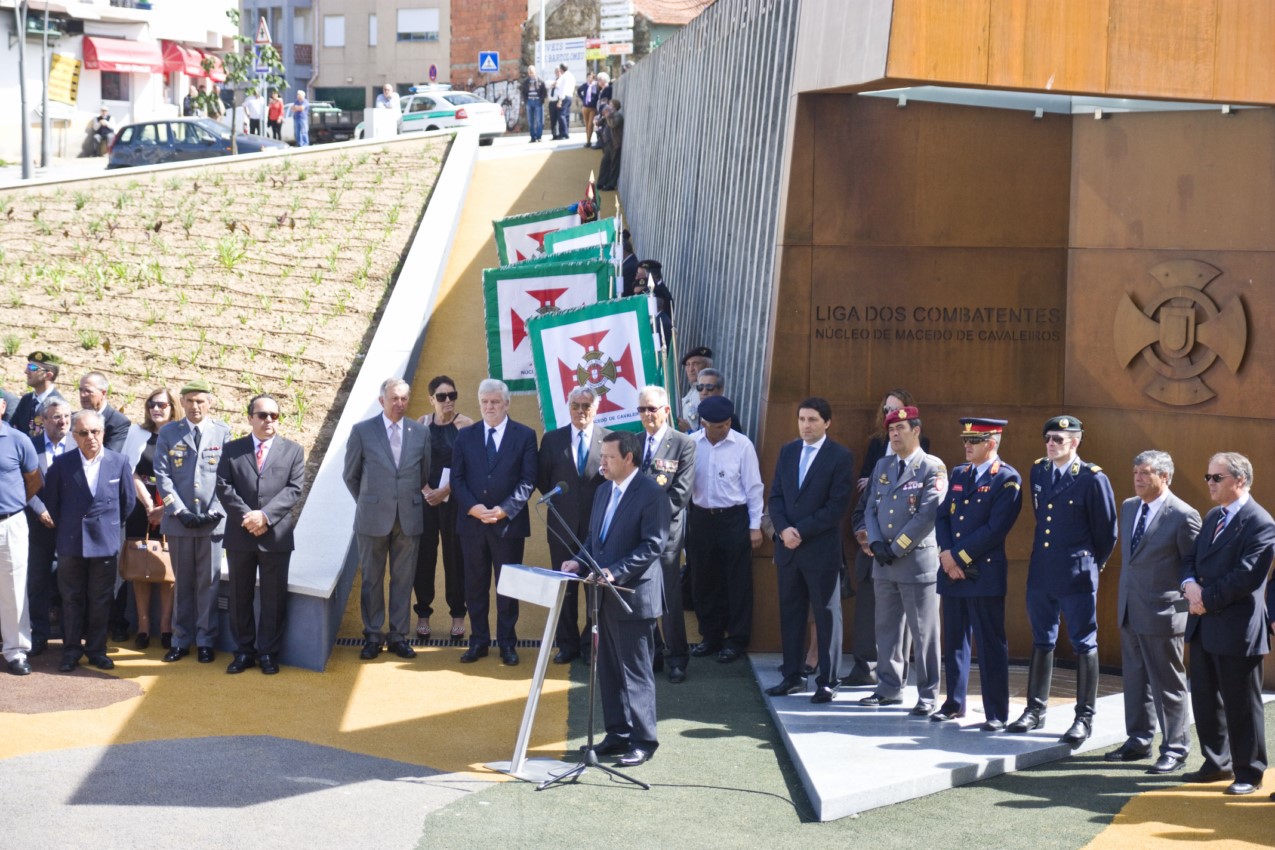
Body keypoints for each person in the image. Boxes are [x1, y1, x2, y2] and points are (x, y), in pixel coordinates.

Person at [561, 431, 671, 767]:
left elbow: (653, 545)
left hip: (632, 597)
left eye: (608, 457)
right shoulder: (603, 490)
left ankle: (643, 741)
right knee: (608, 668)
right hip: (603, 599)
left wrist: (614, 572)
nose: (602, 462)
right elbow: (595, 537)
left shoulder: (652, 493)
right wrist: (579, 560)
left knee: (635, 672)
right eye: (602, 455)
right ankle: (618, 733)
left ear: (629, 458)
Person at [1007, 415, 1118, 745]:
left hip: (1077, 572)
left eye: (1058, 438)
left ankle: (1084, 717)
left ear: (1076, 441)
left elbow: (1107, 532)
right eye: (1048, 438)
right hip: (1043, 571)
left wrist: (1089, 563)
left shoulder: (1092, 478)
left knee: (1084, 642)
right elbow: (1043, 517)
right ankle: (1035, 710)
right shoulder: (1039, 470)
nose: (1051, 444)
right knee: (1042, 639)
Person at [1180, 452, 1274, 796]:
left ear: (1240, 480)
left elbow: (1247, 575)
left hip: (1236, 626)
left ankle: (1249, 771)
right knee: (1205, 698)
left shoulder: (1259, 521)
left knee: (1241, 702)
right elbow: (1190, 557)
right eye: (1208, 477)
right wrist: (1189, 586)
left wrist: (1205, 599)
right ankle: (1216, 762)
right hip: (1204, 623)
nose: (1209, 483)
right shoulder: (1212, 516)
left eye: (1216, 477)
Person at [1105, 450, 1199, 772]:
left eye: (1145, 473)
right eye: (1135, 473)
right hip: (1130, 611)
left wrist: (1179, 615)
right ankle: (1138, 740)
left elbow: (1193, 571)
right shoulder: (1130, 507)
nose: (1138, 478)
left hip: (1163, 617)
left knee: (1167, 685)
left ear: (1165, 477)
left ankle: (1175, 748)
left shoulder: (1184, 515)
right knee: (1134, 680)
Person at [934, 418, 1023, 729]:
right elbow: (942, 516)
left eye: (974, 441)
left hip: (982, 574)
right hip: (951, 571)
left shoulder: (1007, 479)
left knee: (989, 643)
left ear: (992, 443)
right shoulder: (959, 474)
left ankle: (996, 713)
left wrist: (958, 557)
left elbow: (995, 529)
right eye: (965, 440)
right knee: (954, 641)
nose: (967, 446)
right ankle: (953, 703)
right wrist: (945, 555)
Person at [766, 397, 854, 703]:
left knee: (827, 613)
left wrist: (800, 531)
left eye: (813, 420)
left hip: (820, 549)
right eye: (802, 419)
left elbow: (836, 507)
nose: (806, 425)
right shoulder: (788, 451)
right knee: (791, 613)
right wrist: (782, 529)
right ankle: (792, 675)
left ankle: (827, 680)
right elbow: (775, 496)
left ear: (827, 422)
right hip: (788, 548)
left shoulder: (839, 456)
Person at [860, 406, 946, 715]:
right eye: (891, 430)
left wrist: (895, 547)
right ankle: (888, 687)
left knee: (923, 634)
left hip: (915, 563)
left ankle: (927, 694)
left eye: (900, 429)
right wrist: (876, 541)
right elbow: (870, 506)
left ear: (916, 431)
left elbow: (927, 514)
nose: (894, 435)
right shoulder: (883, 465)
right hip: (883, 562)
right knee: (887, 630)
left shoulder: (932, 467)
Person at [216, 394, 305, 676]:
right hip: (241, 535)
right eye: (263, 415)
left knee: (273, 598)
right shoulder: (232, 450)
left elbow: (294, 489)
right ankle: (243, 652)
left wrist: (264, 516)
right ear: (250, 418)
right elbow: (223, 486)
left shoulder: (293, 450)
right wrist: (249, 517)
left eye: (275, 416)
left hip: (275, 536)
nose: (269, 421)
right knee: (239, 595)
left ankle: (268, 653)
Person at [451, 379, 538, 666]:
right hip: (472, 525)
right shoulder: (465, 436)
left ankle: (507, 643)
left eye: (495, 402)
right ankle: (478, 641)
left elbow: (528, 481)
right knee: (475, 585)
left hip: (507, 526)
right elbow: (457, 479)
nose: (489, 407)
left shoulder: (524, 435)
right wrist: (473, 508)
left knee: (508, 587)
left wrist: (504, 510)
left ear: (507, 404)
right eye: (485, 402)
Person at [344, 378, 431, 662]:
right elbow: (350, 475)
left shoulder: (420, 432)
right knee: (371, 579)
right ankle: (372, 635)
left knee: (403, 579)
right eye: (394, 398)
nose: (400, 404)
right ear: (382, 400)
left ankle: (398, 636)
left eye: (404, 399)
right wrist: (370, 500)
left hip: (408, 517)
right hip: (372, 517)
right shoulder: (362, 431)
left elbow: (424, 474)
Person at [44, 409, 135, 673]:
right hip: (71, 543)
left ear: (103, 433)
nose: (90, 437)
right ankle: (71, 650)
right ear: (74, 436)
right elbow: (53, 502)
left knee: (101, 599)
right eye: (83, 433)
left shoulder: (119, 462)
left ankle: (97, 650)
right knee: (71, 599)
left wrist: (107, 527)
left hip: (105, 543)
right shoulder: (62, 464)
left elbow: (126, 503)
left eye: (95, 432)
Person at [155, 379, 231, 665]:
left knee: (208, 584)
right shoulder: (169, 432)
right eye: (190, 401)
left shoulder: (222, 432)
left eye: (201, 401)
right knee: (183, 582)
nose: (195, 406)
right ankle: (180, 640)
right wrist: (179, 510)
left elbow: (226, 475)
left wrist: (215, 510)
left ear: (210, 403)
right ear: (182, 403)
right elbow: (162, 475)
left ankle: (206, 641)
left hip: (211, 523)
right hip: (179, 522)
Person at [687, 396, 763, 663]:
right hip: (701, 518)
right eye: (716, 425)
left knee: (737, 581)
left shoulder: (742, 445)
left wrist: (755, 525)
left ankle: (736, 639)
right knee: (704, 579)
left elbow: (754, 487)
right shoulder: (692, 444)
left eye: (726, 424)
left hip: (733, 517)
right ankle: (710, 636)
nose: (723, 428)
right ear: (704, 423)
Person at [537, 386, 610, 664]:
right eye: (576, 405)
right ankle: (566, 644)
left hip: (597, 529)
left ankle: (590, 645)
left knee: (595, 590)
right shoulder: (553, 439)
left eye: (587, 406)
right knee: (565, 590)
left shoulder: (608, 439)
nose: (581, 411)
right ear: (568, 407)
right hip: (562, 527)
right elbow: (543, 480)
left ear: (596, 408)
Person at [636, 385, 695, 683]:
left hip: (666, 533)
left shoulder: (683, 443)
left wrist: (646, 520)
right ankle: (654, 652)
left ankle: (677, 657)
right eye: (642, 409)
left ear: (666, 410)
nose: (647, 415)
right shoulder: (633, 443)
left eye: (652, 409)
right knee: (641, 596)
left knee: (668, 596)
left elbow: (680, 494)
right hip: (636, 535)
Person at [414, 375, 474, 641]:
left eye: (452, 395)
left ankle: (458, 616)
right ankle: (423, 614)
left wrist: (445, 491)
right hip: (426, 501)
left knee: (455, 559)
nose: (448, 401)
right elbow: (413, 463)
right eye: (441, 396)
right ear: (431, 400)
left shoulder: (466, 425)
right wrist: (427, 491)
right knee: (424, 559)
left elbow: (469, 467)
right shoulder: (422, 425)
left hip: (454, 503)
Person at [122, 389, 178, 651]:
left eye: (162, 404)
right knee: (140, 567)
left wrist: (163, 509)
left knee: (167, 569)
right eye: (151, 404)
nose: (156, 409)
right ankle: (144, 628)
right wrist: (148, 505)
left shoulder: (181, 436)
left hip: (170, 508)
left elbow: (184, 479)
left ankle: (165, 627)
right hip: (140, 508)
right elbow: (130, 471)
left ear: (172, 407)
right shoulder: (137, 433)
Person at [24, 398, 73, 658]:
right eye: (56, 417)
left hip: (70, 526)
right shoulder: (29, 446)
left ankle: (72, 638)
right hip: (37, 525)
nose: (63, 421)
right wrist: (39, 508)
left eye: (67, 416)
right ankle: (39, 635)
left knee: (70, 582)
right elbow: (20, 484)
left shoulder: (80, 444)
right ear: (43, 420)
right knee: (37, 582)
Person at [0, 394, 40, 675]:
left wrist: (11, 506)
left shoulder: (18, 439)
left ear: (2, 407)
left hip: (9, 521)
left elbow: (33, 480)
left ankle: (16, 651)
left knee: (13, 588)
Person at [11, 350, 64, 441]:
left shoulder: (58, 405)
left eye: (32, 368)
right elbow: (13, 428)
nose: (26, 371)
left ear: (48, 375)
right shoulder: (26, 400)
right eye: (28, 366)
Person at [77, 371, 131, 452]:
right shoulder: (75, 418)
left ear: (103, 393)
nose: (82, 395)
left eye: (88, 391)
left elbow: (110, 456)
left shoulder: (118, 422)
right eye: (81, 390)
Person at [676, 347, 712, 432]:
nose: (690, 369)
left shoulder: (710, 392)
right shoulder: (691, 392)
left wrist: (688, 430)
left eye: (695, 364)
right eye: (688, 365)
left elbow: (711, 436)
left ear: (707, 366)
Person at [597, 99, 623, 190]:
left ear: (615, 107)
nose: (609, 107)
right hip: (608, 143)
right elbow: (599, 123)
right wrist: (600, 119)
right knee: (605, 163)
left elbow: (613, 125)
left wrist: (608, 116)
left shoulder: (618, 116)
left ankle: (611, 184)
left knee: (614, 165)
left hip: (615, 143)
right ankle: (601, 182)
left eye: (611, 105)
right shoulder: (609, 115)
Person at [522, 66, 547, 143]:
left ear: (535, 72)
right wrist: (526, 100)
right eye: (529, 72)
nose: (531, 74)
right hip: (529, 102)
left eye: (532, 72)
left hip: (537, 102)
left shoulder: (540, 81)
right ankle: (533, 137)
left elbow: (544, 92)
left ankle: (539, 137)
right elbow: (523, 92)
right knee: (530, 121)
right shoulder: (526, 82)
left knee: (539, 120)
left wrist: (541, 100)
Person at [555, 63, 576, 140]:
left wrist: (560, 100)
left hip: (564, 96)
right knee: (566, 115)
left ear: (561, 69)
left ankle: (563, 133)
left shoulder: (564, 76)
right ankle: (566, 132)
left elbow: (562, 89)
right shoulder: (571, 76)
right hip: (569, 96)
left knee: (561, 115)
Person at [579, 72, 598, 148]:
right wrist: (583, 98)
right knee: (586, 125)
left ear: (593, 77)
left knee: (590, 124)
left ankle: (588, 141)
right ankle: (588, 141)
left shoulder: (596, 85)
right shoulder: (585, 85)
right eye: (588, 77)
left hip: (593, 108)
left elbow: (597, 94)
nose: (589, 78)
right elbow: (579, 91)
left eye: (591, 77)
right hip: (585, 107)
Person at [547, 68, 562, 140]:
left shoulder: (562, 80)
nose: (557, 73)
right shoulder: (553, 80)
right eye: (556, 72)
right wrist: (552, 84)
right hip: (551, 102)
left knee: (559, 119)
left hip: (558, 101)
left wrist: (557, 85)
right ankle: (554, 134)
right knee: (553, 119)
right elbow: (547, 84)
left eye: (558, 71)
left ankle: (559, 134)